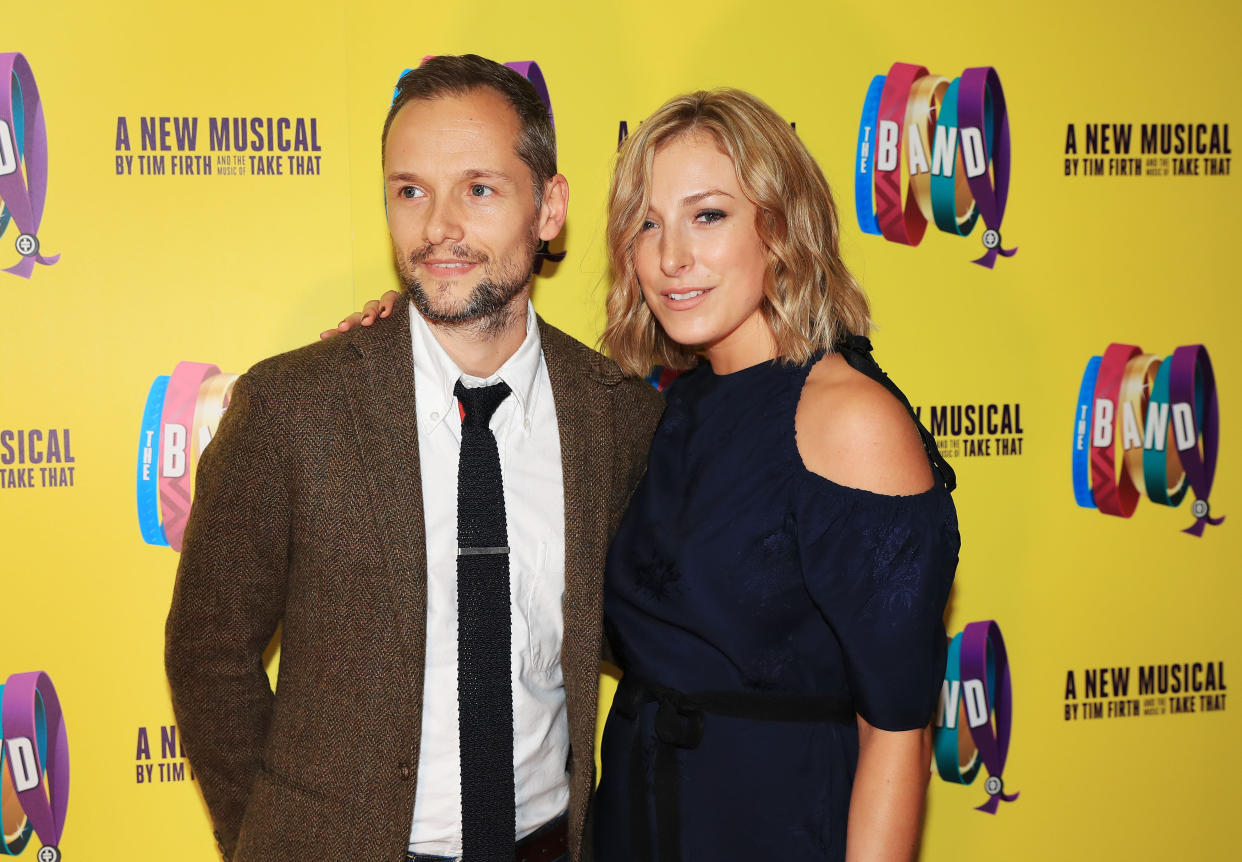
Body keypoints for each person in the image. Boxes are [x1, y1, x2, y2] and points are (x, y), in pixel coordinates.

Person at [342, 88, 958, 861]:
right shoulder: (661, 411)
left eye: (708, 215)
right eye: (647, 223)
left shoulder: (850, 421)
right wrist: (404, 341)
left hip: (774, 827)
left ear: (782, 223)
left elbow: (898, 734)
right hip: (633, 822)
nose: (672, 258)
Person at [165, 54, 663, 862]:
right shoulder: (291, 409)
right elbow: (207, 650)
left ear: (550, 207)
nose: (438, 228)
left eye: (480, 188)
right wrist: (267, 841)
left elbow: (640, 634)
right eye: (410, 191)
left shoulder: (617, 416)